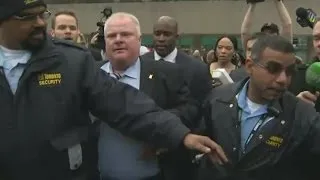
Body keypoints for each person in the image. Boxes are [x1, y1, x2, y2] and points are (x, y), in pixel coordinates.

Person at [0, 1, 228, 179]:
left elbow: (123, 103)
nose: (39, 23)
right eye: (27, 16)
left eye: (42, 14)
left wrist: (180, 134)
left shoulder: (70, 62)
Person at [197, 35, 320, 180]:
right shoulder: (217, 98)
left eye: (289, 72)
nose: (283, 79)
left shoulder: (302, 115)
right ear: (250, 66)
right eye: (273, 69)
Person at [98, 12, 198, 180]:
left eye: (126, 34)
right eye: (112, 35)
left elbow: (191, 109)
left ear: (139, 39)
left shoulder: (165, 73)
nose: (118, 39)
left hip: (153, 173)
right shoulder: (92, 75)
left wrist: (160, 130)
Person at [142, 15, 212, 180]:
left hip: (182, 155)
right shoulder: (139, 63)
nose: (161, 39)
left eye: (166, 34)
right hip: (143, 153)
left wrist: (179, 138)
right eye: (157, 33)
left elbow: (203, 110)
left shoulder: (197, 69)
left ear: (177, 37)